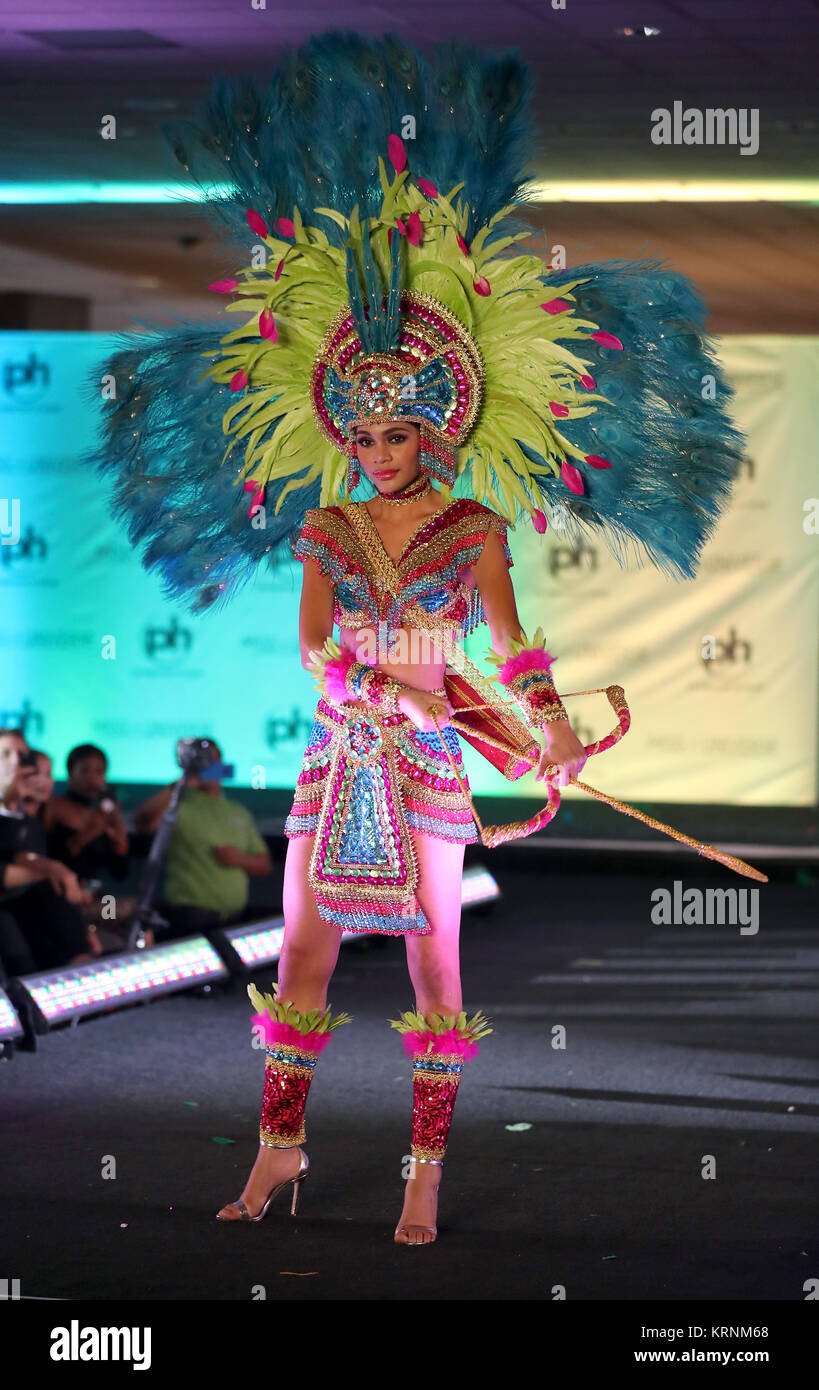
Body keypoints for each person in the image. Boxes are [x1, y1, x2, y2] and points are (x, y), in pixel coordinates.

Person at [86, 34, 744, 1242]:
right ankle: (278, 1151)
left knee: (440, 983)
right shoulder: (328, 524)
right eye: (366, 429)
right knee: (300, 972)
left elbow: (510, 644)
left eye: (399, 432)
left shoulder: (477, 525)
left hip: (435, 769)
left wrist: (547, 730)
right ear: (345, 423)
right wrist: (387, 682)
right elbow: (311, 650)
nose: (380, 449)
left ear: (436, 427)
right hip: (343, 766)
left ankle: (423, 1169)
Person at [132, 740, 271, 937]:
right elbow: (144, 822)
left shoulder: (239, 812)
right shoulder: (178, 807)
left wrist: (239, 859)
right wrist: (183, 784)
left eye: (213, 760)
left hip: (234, 920)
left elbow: (264, 864)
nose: (209, 766)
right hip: (189, 920)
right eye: (202, 762)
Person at [0, 729, 97, 968]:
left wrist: (112, 823)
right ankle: (81, 957)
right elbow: (23, 857)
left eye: (49, 774)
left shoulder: (30, 822)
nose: (42, 780)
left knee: (114, 907)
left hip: (90, 896)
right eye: (6, 755)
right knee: (49, 895)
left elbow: (119, 865)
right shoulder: (55, 812)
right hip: (45, 900)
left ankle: (94, 944)